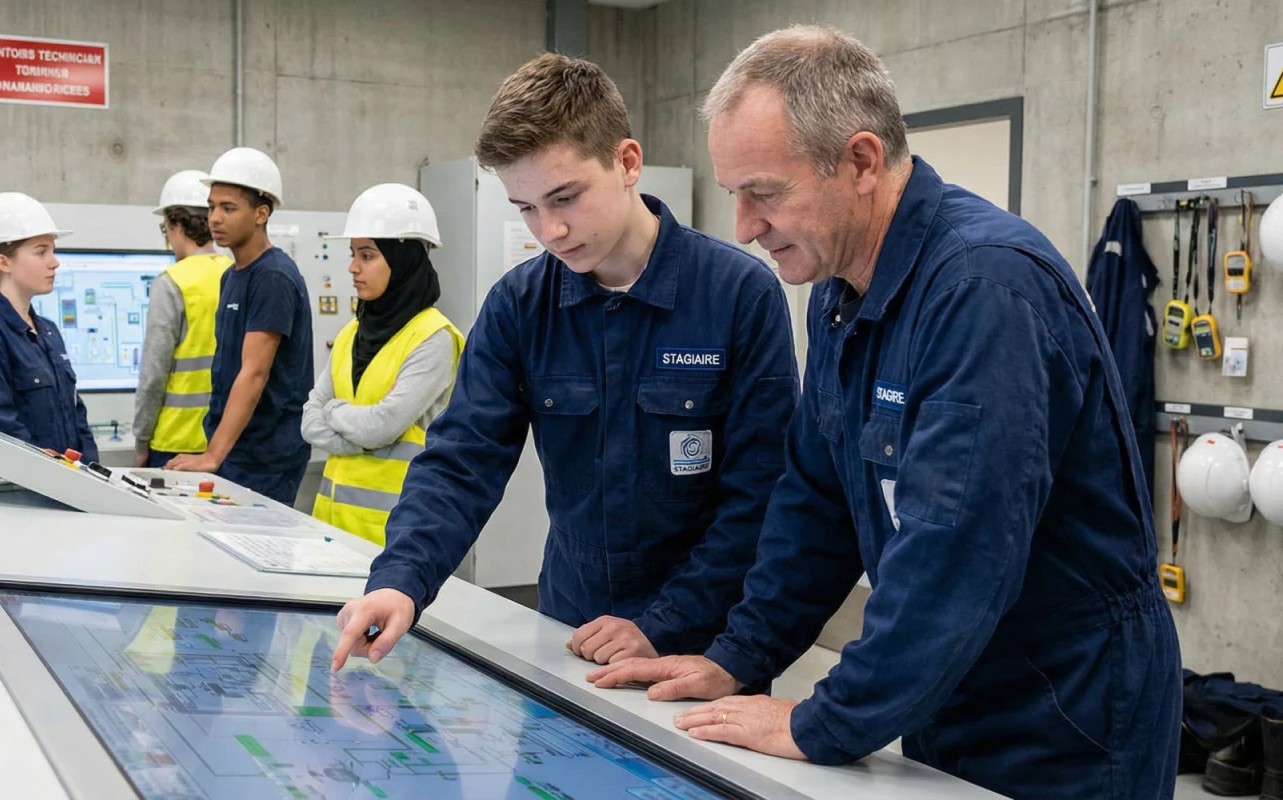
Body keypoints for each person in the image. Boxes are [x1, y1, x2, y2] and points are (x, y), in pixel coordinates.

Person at [585, 26, 1181, 800]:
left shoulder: (982, 292)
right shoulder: (838, 296)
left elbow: (953, 552)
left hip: (1067, 713)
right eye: (735, 194)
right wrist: (737, 656)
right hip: (948, 685)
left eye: (765, 192)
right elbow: (815, 505)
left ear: (861, 162)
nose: (743, 227)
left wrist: (823, 722)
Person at [331, 55, 799, 671]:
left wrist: (664, 622)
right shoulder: (521, 305)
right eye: (524, 207)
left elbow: (761, 494)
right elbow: (461, 461)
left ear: (627, 162)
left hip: (701, 644)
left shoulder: (739, 294)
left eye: (565, 197)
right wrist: (401, 578)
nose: (548, 230)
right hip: (567, 631)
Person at [303, 183, 464, 546]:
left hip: (396, 538)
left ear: (403, 261)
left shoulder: (433, 337)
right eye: (353, 254)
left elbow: (383, 425)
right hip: (330, 530)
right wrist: (358, 431)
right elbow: (310, 420)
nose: (352, 267)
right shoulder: (351, 333)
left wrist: (335, 410)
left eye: (367, 255)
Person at [167, 148, 314, 506]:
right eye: (212, 206)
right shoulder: (232, 276)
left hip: (265, 459)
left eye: (228, 208)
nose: (215, 218)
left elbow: (254, 373)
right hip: (237, 451)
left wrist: (212, 456)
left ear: (261, 213)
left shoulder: (273, 276)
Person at [0, 192, 97, 464]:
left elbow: (77, 417)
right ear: (4, 262)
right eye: (41, 252)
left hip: (69, 490)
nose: (54, 261)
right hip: (23, 497)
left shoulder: (47, 332)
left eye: (53, 250)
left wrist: (92, 474)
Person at [133, 169, 236, 468]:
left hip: (175, 442)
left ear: (177, 224)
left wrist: (141, 441)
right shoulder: (235, 274)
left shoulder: (171, 282)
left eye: (165, 229)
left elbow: (153, 375)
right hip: (222, 441)